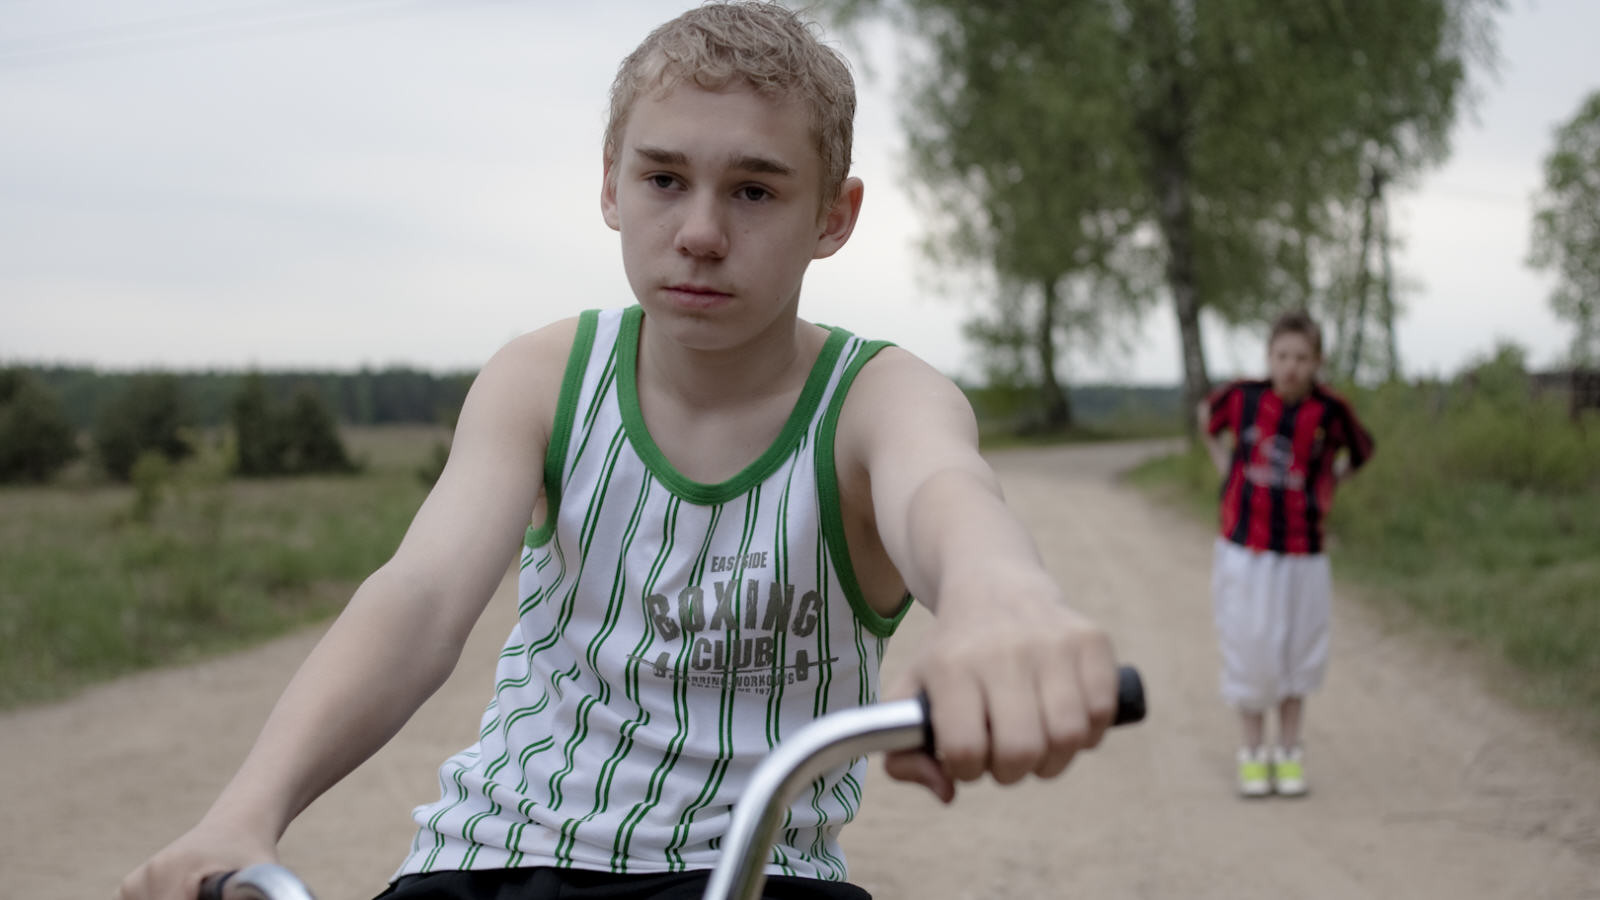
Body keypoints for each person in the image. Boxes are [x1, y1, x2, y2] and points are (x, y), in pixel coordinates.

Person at [117, 3, 1123, 899]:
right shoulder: (542, 376)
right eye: (663, 179)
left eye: (754, 191)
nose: (699, 232)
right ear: (610, 185)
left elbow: (947, 492)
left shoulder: (878, 397)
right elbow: (420, 597)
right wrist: (244, 814)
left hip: (755, 873)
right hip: (491, 863)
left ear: (833, 215)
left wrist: (1000, 602)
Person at [1197, 310, 1374, 799]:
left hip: (1302, 553)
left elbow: (1361, 450)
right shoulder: (1243, 398)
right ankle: (1252, 753)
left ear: (1317, 361)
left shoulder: (1330, 411)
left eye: (1301, 357)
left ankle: (1289, 752)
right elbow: (1206, 420)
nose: (1291, 367)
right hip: (1245, 550)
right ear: (1269, 357)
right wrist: (1226, 467)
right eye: (1282, 356)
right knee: (1249, 648)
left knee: (1298, 652)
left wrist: (1328, 484)